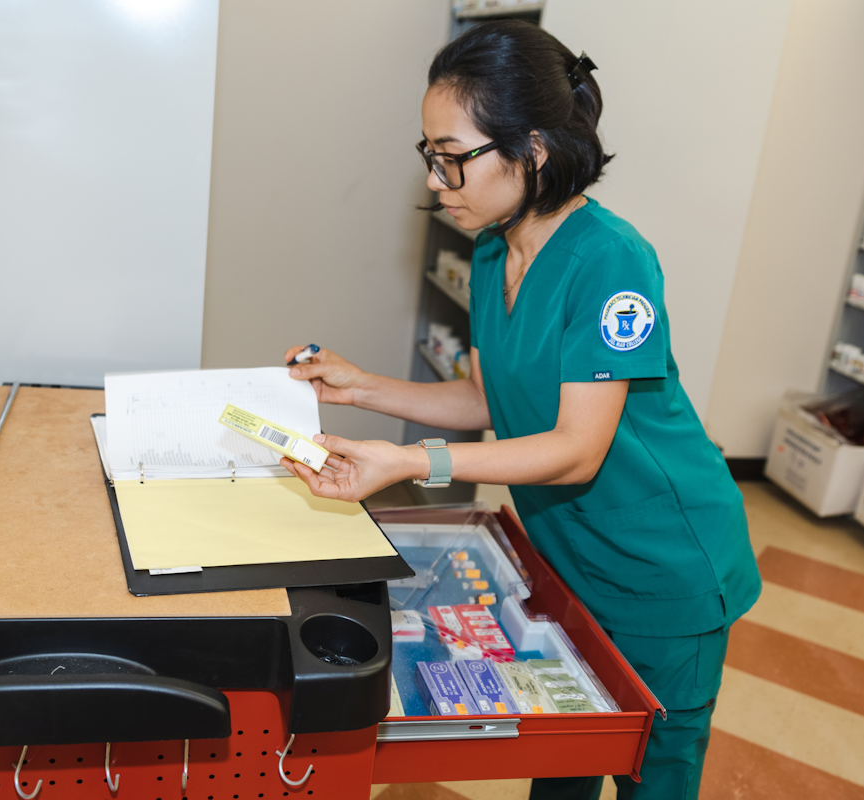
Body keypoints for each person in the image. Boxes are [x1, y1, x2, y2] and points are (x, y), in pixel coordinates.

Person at [279, 21, 761, 800]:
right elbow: (483, 397)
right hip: (570, 550)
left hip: (664, 565)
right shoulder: (496, 248)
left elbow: (576, 448)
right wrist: (359, 386)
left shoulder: (611, 260)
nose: (437, 180)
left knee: (655, 770)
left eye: (452, 156)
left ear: (531, 150)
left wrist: (412, 462)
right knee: (564, 754)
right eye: (429, 155)